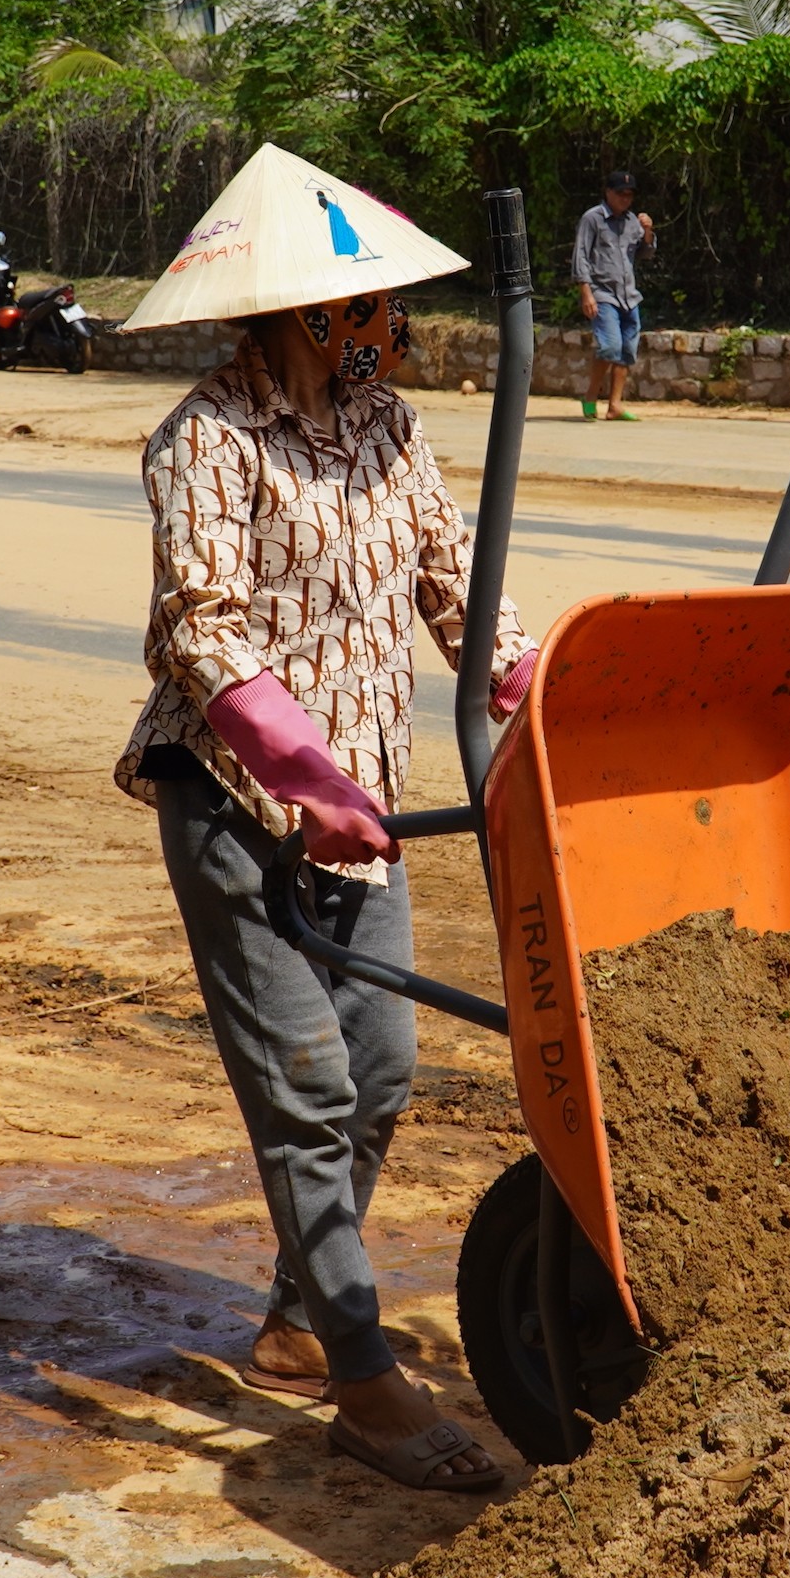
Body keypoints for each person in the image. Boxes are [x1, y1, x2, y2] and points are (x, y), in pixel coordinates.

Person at [113, 143, 541, 1495]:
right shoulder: (205, 441)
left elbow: (457, 593)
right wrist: (299, 774)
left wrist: (541, 689)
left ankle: (301, 1316)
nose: (383, 333)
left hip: (368, 804)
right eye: (355, 312)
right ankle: (363, 1376)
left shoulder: (393, 431)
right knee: (305, 1087)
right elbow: (202, 631)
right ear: (289, 316)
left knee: (386, 1066)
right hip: (239, 804)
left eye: (384, 309)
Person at [569, 169, 651, 422]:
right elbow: (580, 255)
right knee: (610, 346)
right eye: (620, 194)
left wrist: (648, 232)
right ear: (608, 193)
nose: (625, 199)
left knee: (627, 351)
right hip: (602, 293)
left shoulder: (632, 222)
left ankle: (614, 405)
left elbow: (645, 253)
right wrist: (586, 292)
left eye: (629, 195)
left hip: (629, 295)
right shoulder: (592, 219)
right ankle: (591, 395)